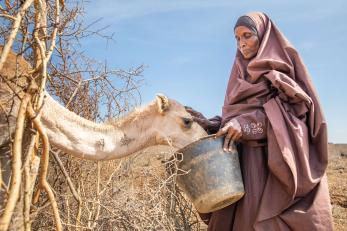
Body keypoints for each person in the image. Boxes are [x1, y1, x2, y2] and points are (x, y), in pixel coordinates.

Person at [186, 12, 333, 230]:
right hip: (241, 165)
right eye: (237, 39)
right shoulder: (238, 74)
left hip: (272, 166)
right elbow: (234, 116)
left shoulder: (281, 67)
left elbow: (294, 113)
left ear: (263, 36)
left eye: (247, 35)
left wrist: (245, 124)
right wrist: (213, 123)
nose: (241, 44)